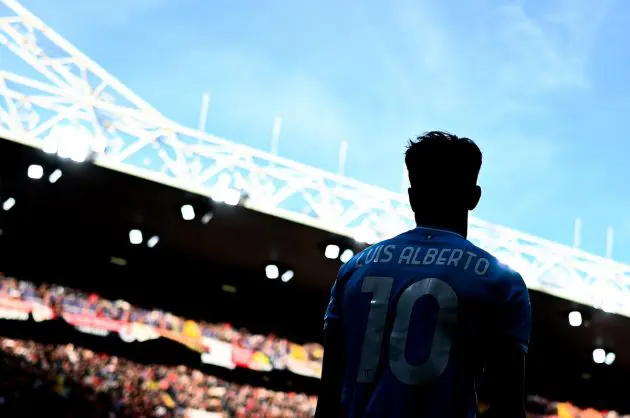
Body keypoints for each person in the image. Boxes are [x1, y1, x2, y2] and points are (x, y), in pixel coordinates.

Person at [315, 131, 531, 418]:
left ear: (412, 197)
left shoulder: (354, 270)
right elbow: (508, 408)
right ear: (474, 197)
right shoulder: (500, 281)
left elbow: (329, 395)